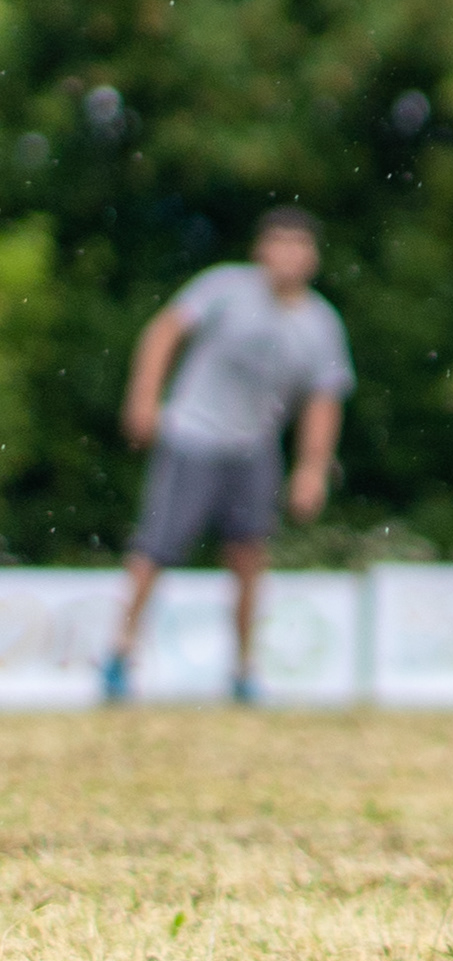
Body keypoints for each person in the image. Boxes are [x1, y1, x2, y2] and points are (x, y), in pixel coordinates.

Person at [101, 209, 353, 704]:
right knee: (155, 549)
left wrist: (312, 469)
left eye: (299, 244)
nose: (288, 254)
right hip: (192, 437)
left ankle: (243, 670)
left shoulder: (320, 323)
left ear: (313, 257)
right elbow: (164, 331)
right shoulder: (224, 288)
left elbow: (324, 399)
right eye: (279, 242)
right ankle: (119, 654)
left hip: (253, 447)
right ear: (261, 249)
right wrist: (144, 398)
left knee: (249, 555)